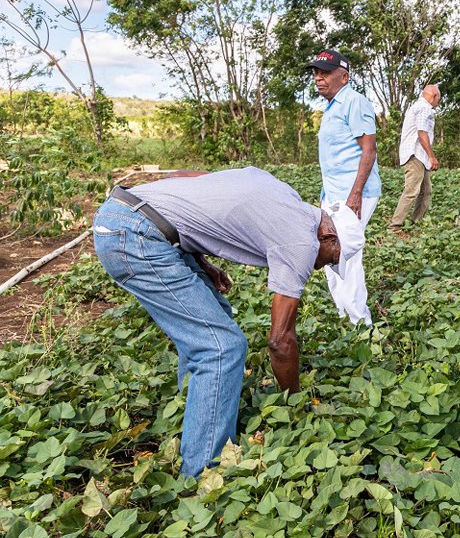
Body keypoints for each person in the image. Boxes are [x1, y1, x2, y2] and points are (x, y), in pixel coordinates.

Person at [91, 167, 365, 479]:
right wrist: (295, 402)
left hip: (129, 214)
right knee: (221, 347)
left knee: (214, 318)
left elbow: (197, 179)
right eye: (331, 259)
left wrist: (197, 261)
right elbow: (279, 341)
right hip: (136, 238)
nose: (323, 267)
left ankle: (194, 407)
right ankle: (200, 474)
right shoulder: (302, 242)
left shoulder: (284, 194)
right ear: (327, 236)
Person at [308, 49, 381, 326]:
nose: (318, 78)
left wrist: (355, 194)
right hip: (334, 194)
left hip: (353, 193)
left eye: (325, 73)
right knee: (328, 253)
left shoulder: (354, 102)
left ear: (344, 76)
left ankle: (360, 323)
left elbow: (369, 150)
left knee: (346, 256)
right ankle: (343, 316)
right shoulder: (332, 107)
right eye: (316, 73)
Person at [389, 84, 441, 231]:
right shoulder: (424, 108)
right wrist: (432, 156)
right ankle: (394, 226)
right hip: (415, 155)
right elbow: (422, 133)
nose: (438, 103)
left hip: (420, 156)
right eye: (439, 99)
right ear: (435, 96)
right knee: (412, 191)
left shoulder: (418, 107)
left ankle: (416, 222)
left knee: (426, 191)